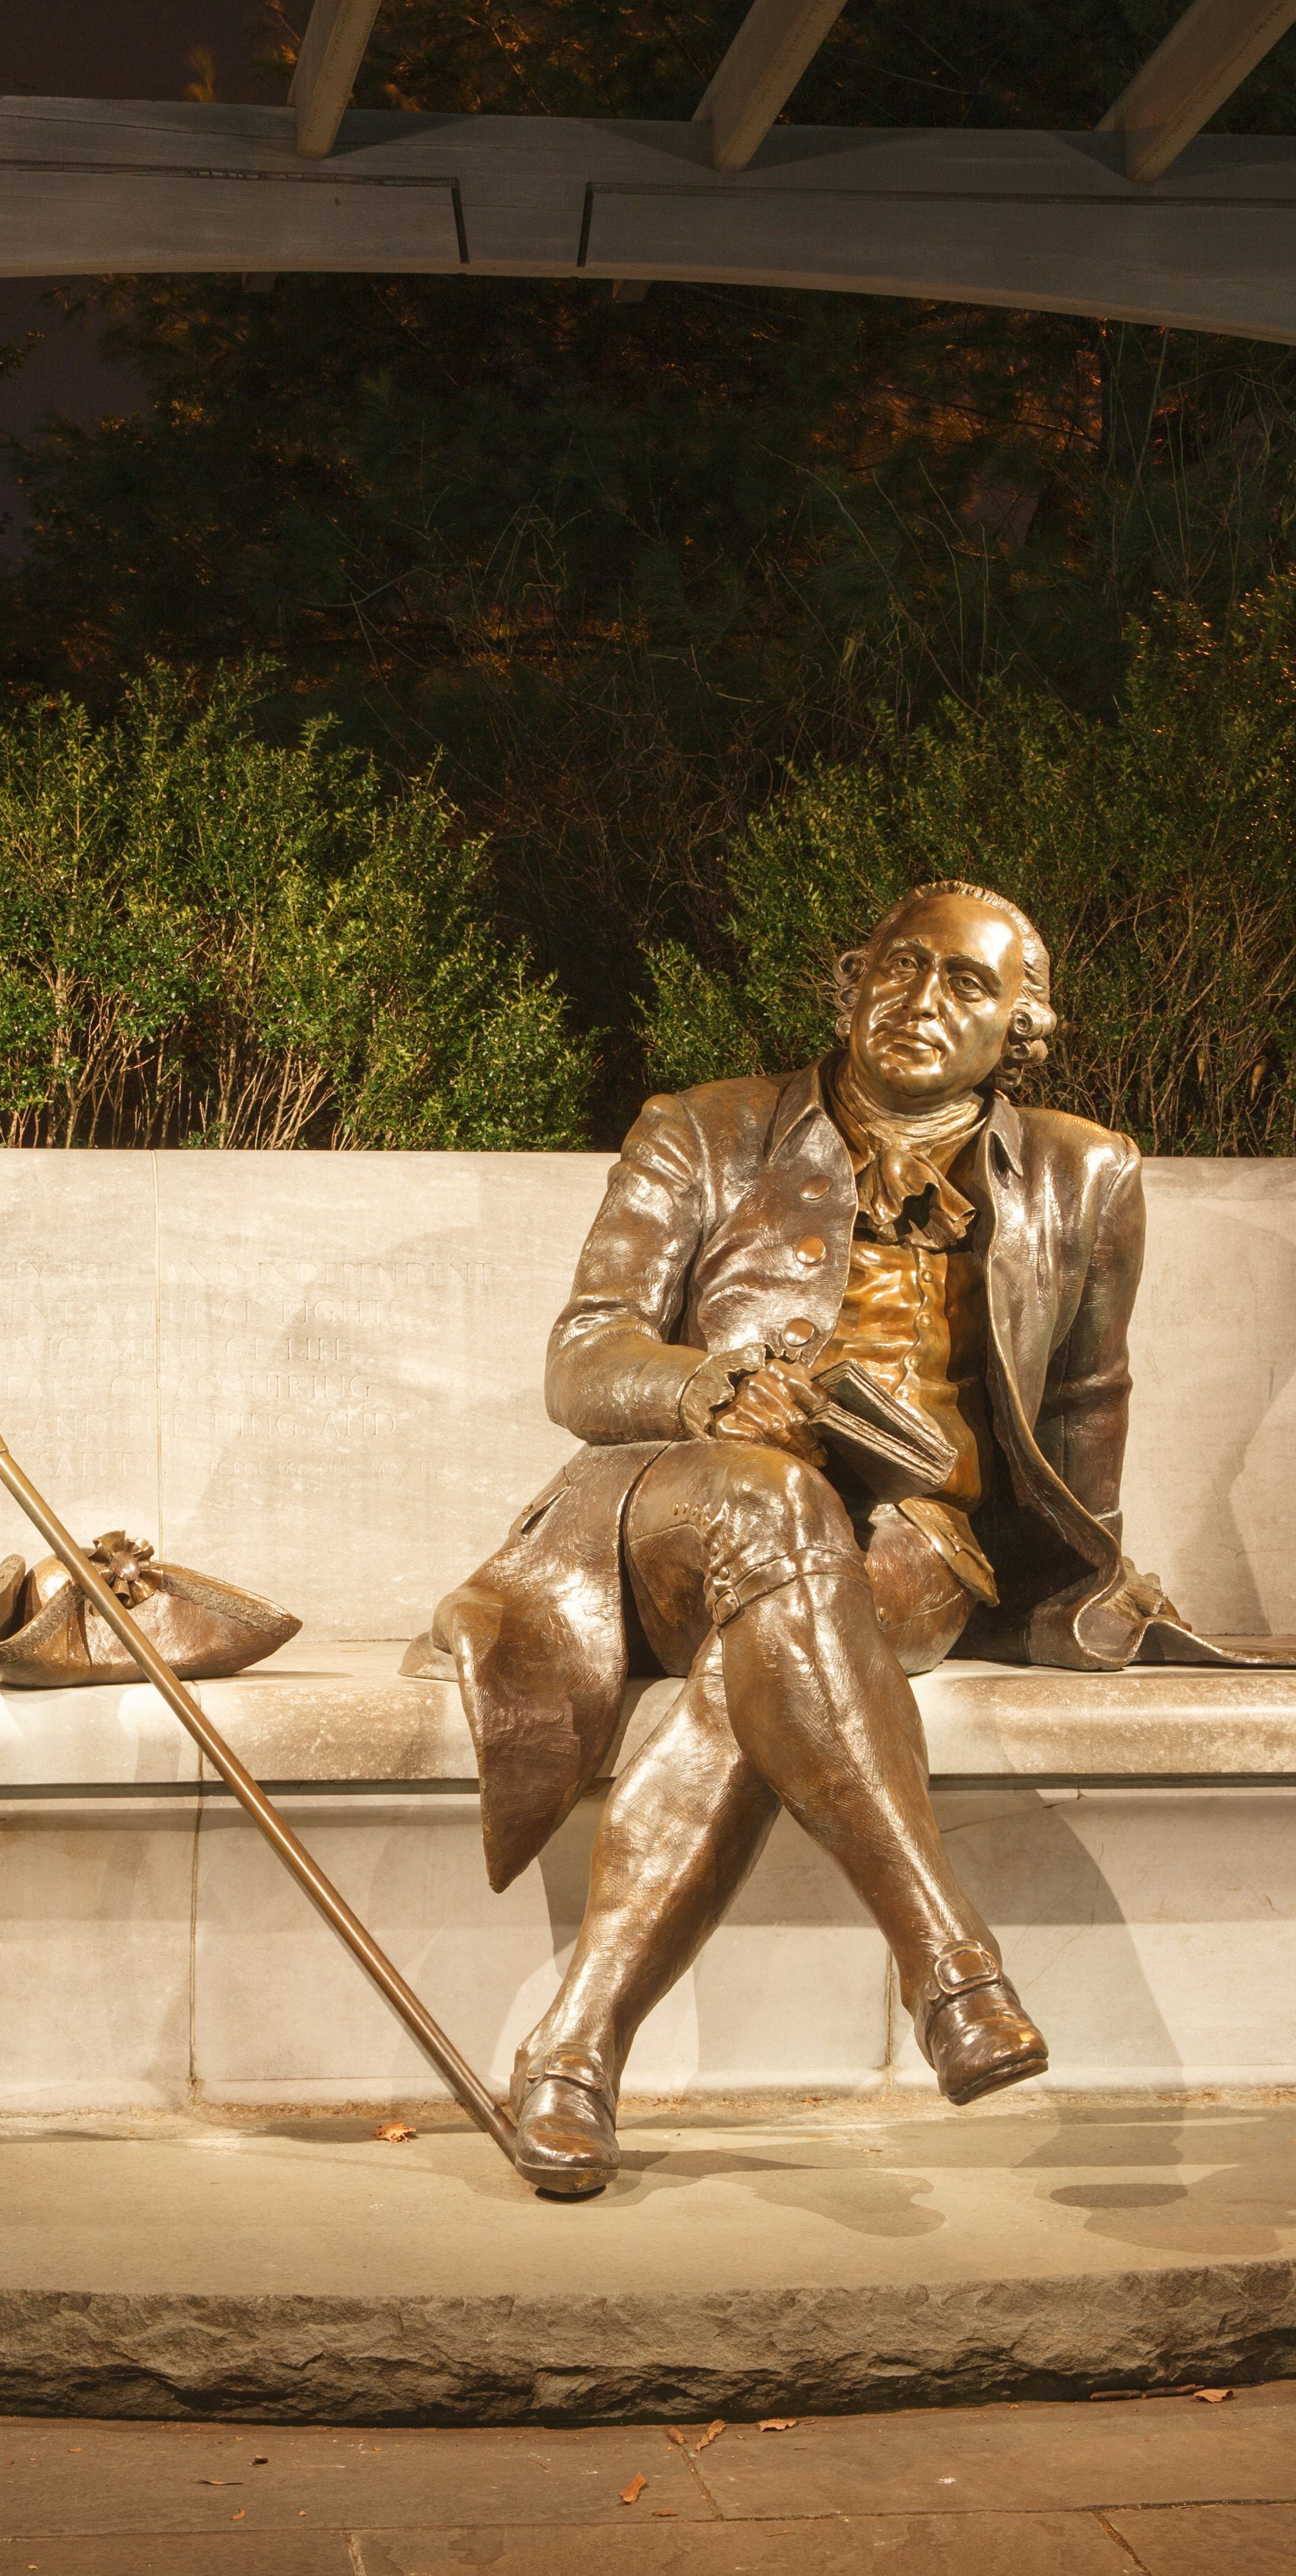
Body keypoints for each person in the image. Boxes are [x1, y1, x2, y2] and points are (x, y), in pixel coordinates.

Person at [426, 879, 1177, 2197]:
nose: (923, 1001)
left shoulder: (1087, 1172)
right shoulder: (703, 1131)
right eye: (900, 967)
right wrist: (705, 1388)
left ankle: (574, 2051)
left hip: (909, 1544)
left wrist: (1090, 1572)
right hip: (674, 1508)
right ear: (848, 978)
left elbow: (1084, 1399)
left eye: (968, 985)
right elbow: (584, 1355)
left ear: (1023, 1030)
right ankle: (949, 1963)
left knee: (767, 1670)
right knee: (777, 1510)